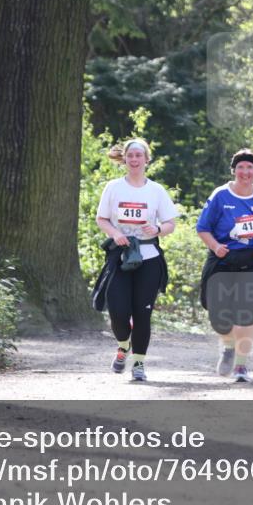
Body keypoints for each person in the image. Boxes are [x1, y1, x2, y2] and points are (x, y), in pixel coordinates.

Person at [92, 138, 177, 382]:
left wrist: (158, 229)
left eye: (139, 156)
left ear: (146, 159)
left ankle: (138, 363)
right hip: (120, 256)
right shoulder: (114, 187)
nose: (134, 160)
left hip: (148, 258)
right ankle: (123, 346)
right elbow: (102, 219)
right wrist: (116, 233)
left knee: (142, 313)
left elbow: (171, 223)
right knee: (117, 310)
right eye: (130, 156)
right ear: (125, 159)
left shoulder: (156, 190)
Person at [196, 148, 253, 383]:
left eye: (250, 168)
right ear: (234, 171)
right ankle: (228, 346)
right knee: (220, 316)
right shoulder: (220, 195)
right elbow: (203, 227)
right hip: (223, 259)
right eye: (241, 167)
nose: (245, 172)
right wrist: (215, 246)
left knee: (246, 312)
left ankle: (241, 367)